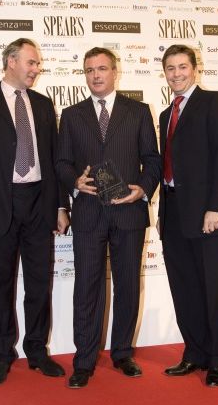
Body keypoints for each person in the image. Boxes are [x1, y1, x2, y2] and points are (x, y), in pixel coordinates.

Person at [0, 38, 70, 386]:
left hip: (39, 203)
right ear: (11, 62)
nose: (36, 69)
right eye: (31, 63)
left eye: (37, 64)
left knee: (39, 284)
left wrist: (60, 205)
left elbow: (53, 161)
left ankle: (36, 351)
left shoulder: (42, 104)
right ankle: (3, 353)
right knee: (0, 284)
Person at [56, 47, 160, 388]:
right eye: (89, 70)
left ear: (115, 71)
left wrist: (141, 189)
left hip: (129, 212)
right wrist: (74, 181)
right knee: (87, 287)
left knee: (129, 284)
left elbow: (152, 160)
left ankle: (122, 353)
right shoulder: (71, 115)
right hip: (87, 214)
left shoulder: (139, 111)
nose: (95, 75)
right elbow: (61, 162)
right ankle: (83, 360)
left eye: (101, 68)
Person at [157, 44, 218, 387]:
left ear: (194, 68)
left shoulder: (215, 103)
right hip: (173, 211)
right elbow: (167, 168)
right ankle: (195, 353)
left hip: (207, 214)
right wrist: (162, 210)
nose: (176, 73)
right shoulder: (165, 114)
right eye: (170, 68)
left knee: (213, 289)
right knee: (184, 287)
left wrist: (217, 206)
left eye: (182, 66)